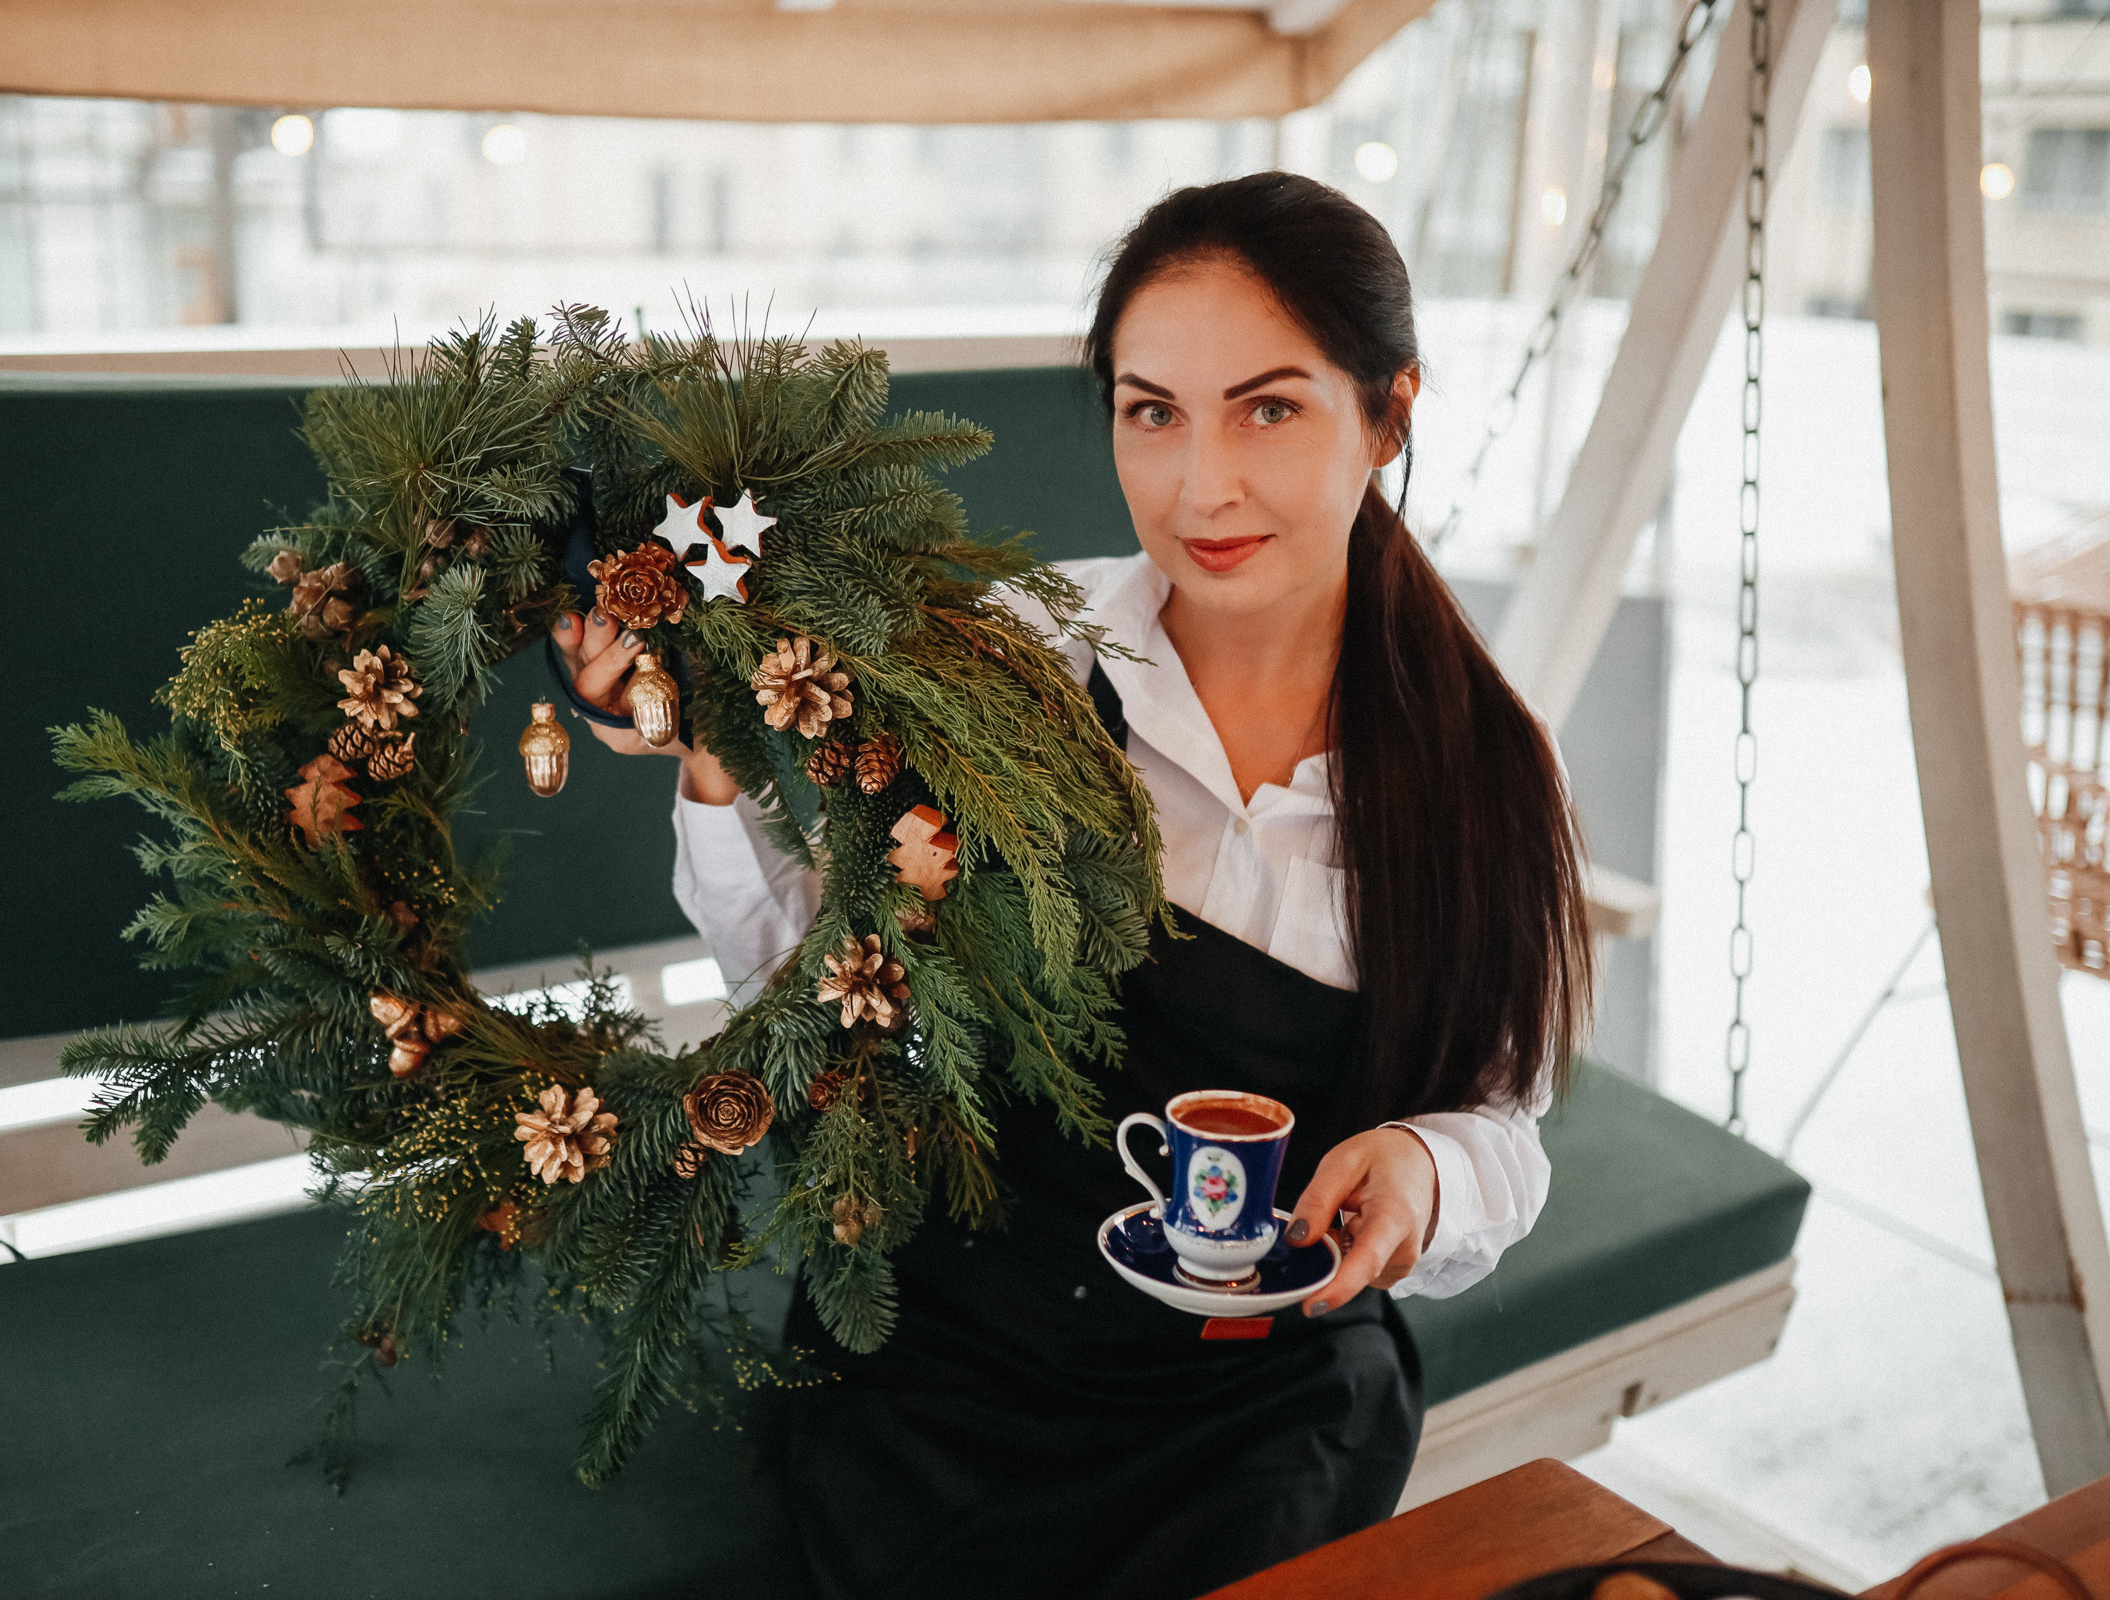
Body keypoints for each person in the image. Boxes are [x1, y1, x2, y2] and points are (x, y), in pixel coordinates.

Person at [551, 171, 1593, 1600]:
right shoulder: (1017, 666)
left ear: (1390, 413)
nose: (1199, 484)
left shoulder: (1484, 767)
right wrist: (720, 762)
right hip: (951, 1354)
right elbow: (810, 988)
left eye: (1268, 408)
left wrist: (1425, 1163)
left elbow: (1502, 1119)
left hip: (1259, 1390)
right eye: (1151, 409)